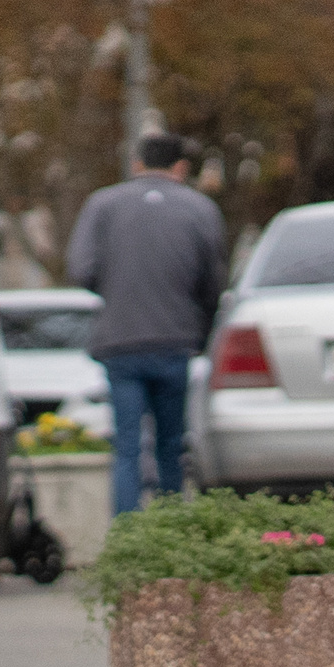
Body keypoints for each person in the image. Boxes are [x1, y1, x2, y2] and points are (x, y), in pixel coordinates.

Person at [67, 132, 227, 514]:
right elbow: (214, 282)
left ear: (137, 164)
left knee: (127, 446)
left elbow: (81, 269)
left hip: (120, 342)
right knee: (171, 443)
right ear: (182, 168)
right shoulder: (201, 209)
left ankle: (126, 538)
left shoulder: (102, 204)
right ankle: (168, 535)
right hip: (174, 342)